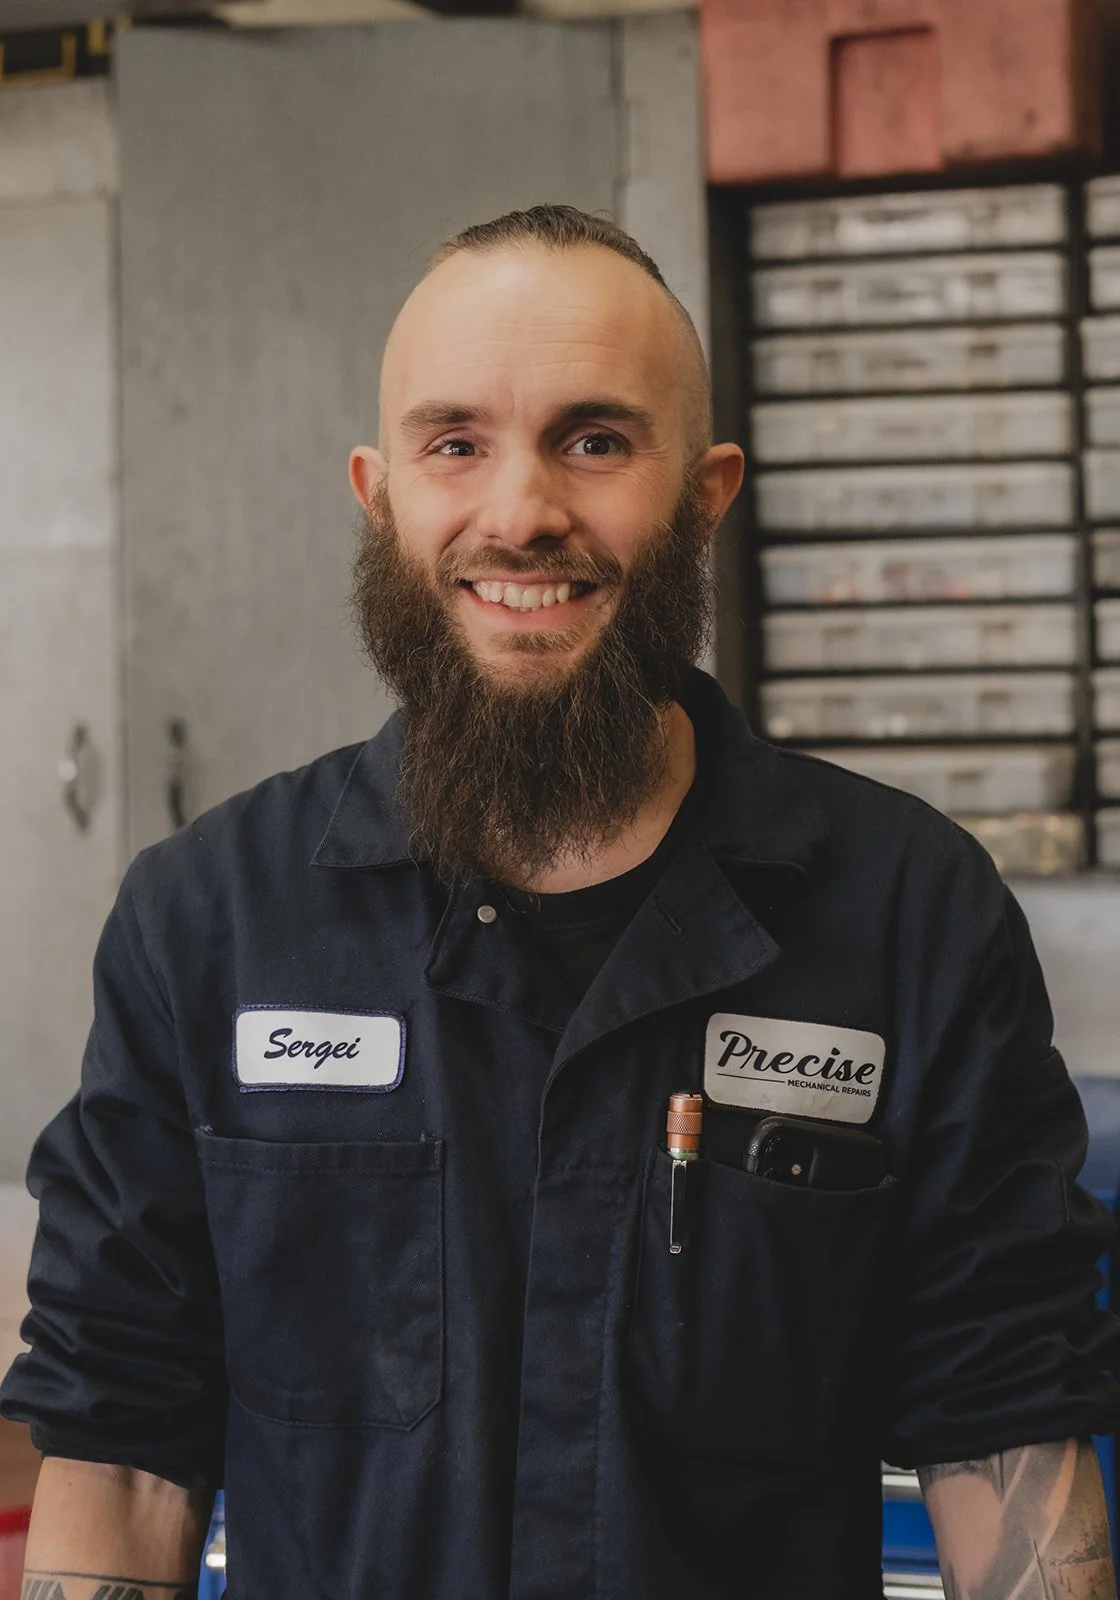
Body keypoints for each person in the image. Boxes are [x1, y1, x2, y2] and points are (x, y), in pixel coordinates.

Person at [3, 204, 1118, 1600]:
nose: (521, 512)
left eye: (594, 441)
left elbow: (1003, 1419)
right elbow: (121, 1450)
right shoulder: (208, 924)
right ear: (378, 495)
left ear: (706, 494)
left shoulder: (908, 916)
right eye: (454, 443)